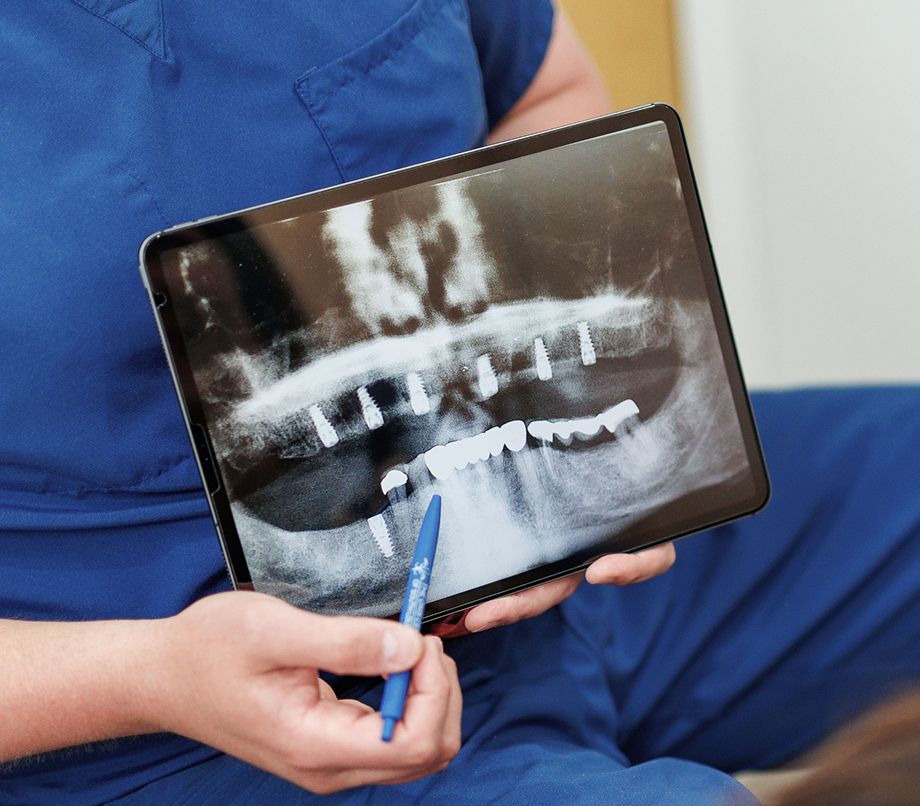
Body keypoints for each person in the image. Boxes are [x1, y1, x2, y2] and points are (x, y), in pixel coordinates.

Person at [2, 3, 919, 804]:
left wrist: (601, 478)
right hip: (176, 726)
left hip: (579, 555)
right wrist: (149, 677)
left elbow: (544, 87)